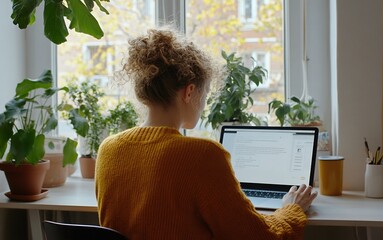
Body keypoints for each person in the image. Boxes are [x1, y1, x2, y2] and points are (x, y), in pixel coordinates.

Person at [95, 28, 317, 240]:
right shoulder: (202, 155)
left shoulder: (108, 149)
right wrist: (291, 208)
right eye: (206, 94)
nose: (204, 105)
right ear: (190, 92)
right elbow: (260, 237)